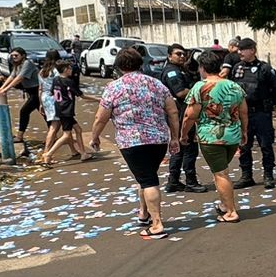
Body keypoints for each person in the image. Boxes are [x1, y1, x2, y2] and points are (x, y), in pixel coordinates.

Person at [86, 47, 178, 239]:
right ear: (140, 63)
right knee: (145, 176)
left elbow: (101, 118)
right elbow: (173, 111)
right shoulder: (157, 84)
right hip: (158, 139)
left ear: (119, 66)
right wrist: (175, 137)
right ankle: (143, 213)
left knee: (148, 180)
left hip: (132, 141)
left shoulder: (114, 87)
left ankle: (157, 224)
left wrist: (94, 137)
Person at [183, 49, 249, 223]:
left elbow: (190, 115)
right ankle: (224, 205)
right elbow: (243, 112)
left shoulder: (200, 87)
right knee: (222, 171)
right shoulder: (235, 86)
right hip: (233, 135)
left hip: (211, 137)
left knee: (220, 174)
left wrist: (183, 134)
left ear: (202, 67)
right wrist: (244, 131)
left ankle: (231, 211)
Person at [227, 38, 276, 190]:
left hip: (261, 113)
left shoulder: (265, 68)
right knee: (244, 145)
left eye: (242, 49)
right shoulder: (237, 68)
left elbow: (275, 90)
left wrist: (268, 104)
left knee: (266, 144)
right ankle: (246, 175)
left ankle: (268, 175)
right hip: (243, 114)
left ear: (252, 50)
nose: (239, 52)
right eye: (238, 49)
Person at [157, 44, 205, 193]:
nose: (182, 56)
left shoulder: (180, 70)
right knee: (188, 147)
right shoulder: (172, 72)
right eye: (178, 54)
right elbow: (181, 93)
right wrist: (201, 90)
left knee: (178, 148)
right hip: (178, 115)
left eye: (184, 54)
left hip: (179, 114)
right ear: (170, 56)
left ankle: (174, 181)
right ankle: (190, 181)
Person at [41, 58, 95, 165]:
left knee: (78, 130)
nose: (71, 70)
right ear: (66, 69)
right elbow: (82, 95)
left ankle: (83, 153)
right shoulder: (69, 82)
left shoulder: (56, 79)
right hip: (66, 110)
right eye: (70, 68)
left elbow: (52, 92)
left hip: (60, 109)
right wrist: (98, 99)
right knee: (66, 135)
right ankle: (49, 154)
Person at [5, 47, 42, 148]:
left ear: (23, 56)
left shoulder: (27, 64)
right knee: (44, 113)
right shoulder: (17, 65)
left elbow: (19, 78)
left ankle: (20, 136)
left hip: (37, 91)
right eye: (12, 56)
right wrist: (2, 88)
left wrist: (6, 89)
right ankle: (57, 133)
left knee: (24, 111)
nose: (14, 57)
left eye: (16, 55)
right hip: (31, 92)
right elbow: (12, 76)